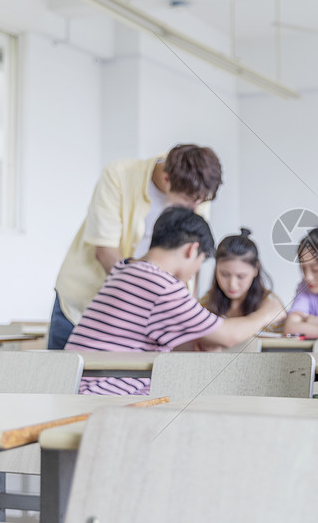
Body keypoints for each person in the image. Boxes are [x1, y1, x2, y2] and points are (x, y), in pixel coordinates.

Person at [65, 207, 282, 396]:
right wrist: (267, 312)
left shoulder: (125, 269)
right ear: (192, 250)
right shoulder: (162, 286)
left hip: (72, 386)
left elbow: (135, 338)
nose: (193, 274)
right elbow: (228, 336)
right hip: (106, 395)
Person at [49, 144, 222, 350]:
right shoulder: (119, 176)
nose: (196, 208)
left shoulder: (196, 190)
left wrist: (187, 314)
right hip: (84, 302)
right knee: (64, 378)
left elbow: (190, 261)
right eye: (190, 200)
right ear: (167, 180)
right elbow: (105, 252)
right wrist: (150, 301)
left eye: (202, 201)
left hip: (146, 310)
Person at [201, 228, 285, 332]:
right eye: (224, 274)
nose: (232, 284)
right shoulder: (205, 304)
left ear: (255, 269)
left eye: (241, 276)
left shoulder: (272, 306)